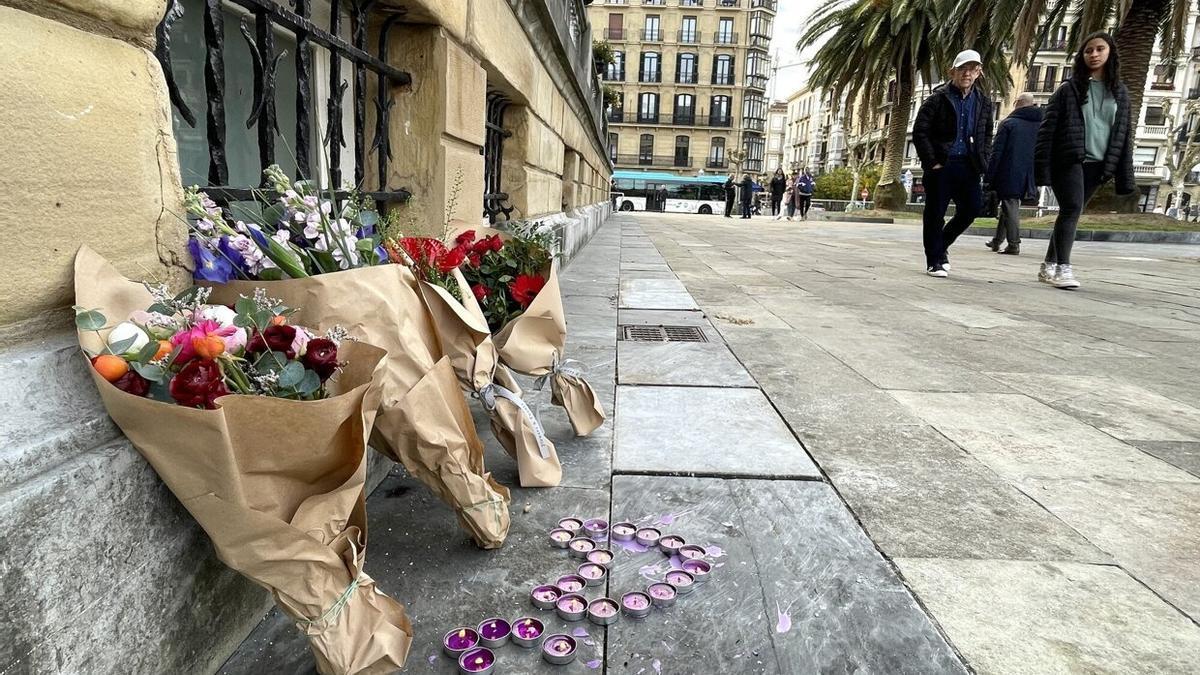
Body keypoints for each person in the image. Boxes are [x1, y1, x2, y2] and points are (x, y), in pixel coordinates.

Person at [1034, 31, 1134, 290]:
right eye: (1089, 50)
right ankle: (1063, 268)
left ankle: (1048, 265)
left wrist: (1122, 171)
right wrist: (1042, 171)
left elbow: (1124, 134)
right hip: (1068, 160)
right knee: (1071, 209)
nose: (1094, 54)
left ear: (1110, 52)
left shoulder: (1120, 93)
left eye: (1099, 49)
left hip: (1100, 164)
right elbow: (1047, 131)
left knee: (1071, 211)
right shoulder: (1068, 90)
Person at [912, 49, 994, 278]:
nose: (967, 73)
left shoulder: (983, 102)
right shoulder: (937, 98)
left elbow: (987, 133)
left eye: (973, 69)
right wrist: (932, 162)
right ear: (953, 72)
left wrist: (983, 159)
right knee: (935, 213)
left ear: (979, 72)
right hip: (941, 165)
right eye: (963, 69)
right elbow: (920, 132)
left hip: (969, 165)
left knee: (972, 208)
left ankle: (942, 246)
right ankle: (934, 261)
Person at [985, 92, 1043, 255]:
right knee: (1008, 206)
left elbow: (997, 152)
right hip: (1030, 172)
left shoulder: (1009, 123)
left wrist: (989, 176)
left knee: (1010, 205)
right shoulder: (1041, 123)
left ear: (1018, 103)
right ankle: (997, 241)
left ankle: (1013, 244)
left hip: (1009, 170)